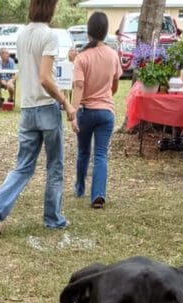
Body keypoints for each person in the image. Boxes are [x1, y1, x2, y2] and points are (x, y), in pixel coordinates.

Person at [0, 0, 75, 235]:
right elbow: (45, 77)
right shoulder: (50, 36)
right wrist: (65, 102)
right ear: (51, 8)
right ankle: (52, 218)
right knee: (54, 166)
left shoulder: (22, 35)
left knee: (23, 166)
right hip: (46, 108)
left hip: (27, 110)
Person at [71, 12, 120, 210]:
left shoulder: (82, 57)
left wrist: (73, 113)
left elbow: (78, 87)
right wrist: (107, 97)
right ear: (106, 31)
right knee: (101, 155)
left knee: (83, 152)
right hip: (106, 112)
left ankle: (80, 188)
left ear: (88, 31)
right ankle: (98, 194)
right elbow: (115, 84)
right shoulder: (113, 54)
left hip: (86, 111)